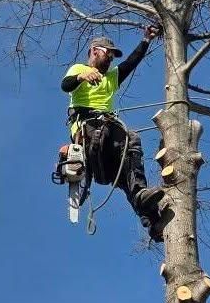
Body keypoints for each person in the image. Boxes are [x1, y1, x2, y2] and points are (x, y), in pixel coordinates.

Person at [59, 29, 170, 241]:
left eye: (112, 56)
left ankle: (151, 220)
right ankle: (82, 164)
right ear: (94, 51)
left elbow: (131, 62)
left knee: (128, 165)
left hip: (111, 141)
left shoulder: (111, 78)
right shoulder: (79, 68)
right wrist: (82, 76)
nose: (110, 59)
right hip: (90, 129)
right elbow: (66, 86)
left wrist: (146, 39)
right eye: (107, 53)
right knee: (121, 135)